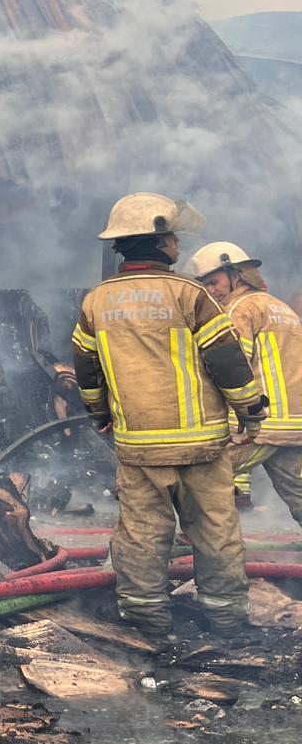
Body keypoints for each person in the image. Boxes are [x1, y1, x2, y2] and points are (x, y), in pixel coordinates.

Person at [71, 194, 266, 638]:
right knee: (215, 530)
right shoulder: (189, 294)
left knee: (142, 533)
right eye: (174, 236)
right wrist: (249, 410)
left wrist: (99, 412)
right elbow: (227, 360)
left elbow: (86, 365)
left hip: (139, 447)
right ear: (160, 241)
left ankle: (146, 622)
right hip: (201, 446)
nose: (178, 243)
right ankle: (227, 621)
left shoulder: (96, 301)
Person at [189, 242, 302, 519]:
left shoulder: (238, 310)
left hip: (259, 424)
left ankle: (200, 543)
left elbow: (233, 370)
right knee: (298, 493)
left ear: (235, 274)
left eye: (214, 282)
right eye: (205, 285)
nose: (211, 290)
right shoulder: (280, 308)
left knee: (200, 482)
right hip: (294, 424)